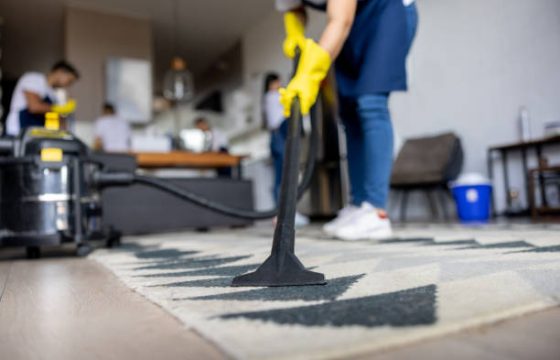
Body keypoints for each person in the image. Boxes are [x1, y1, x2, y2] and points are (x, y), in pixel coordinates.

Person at [275, 0, 418, 240]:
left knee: (371, 103)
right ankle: (358, 205)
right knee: (349, 115)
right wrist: (295, 33)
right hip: (350, 23)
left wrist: (311, 73)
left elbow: (341, 19)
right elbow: (293, 8)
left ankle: (375, 211)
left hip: (386, 12)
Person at [263, 72, 310, 227]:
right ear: (272, 83)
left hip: (275, 139)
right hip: (280, 138)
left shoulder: (267, 98)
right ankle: (287, 214)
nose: (280, 84)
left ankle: (281, 214)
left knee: (279, 177)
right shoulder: (274, 96)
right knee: (287, 175)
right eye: (278, 82)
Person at [5, 60, 80, 136]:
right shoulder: (34, 79)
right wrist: (59, 109)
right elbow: (34, 107)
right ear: (60, 72)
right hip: (16, 132)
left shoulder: (52, 94)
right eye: (69, 81)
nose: (68, 85)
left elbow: (57, 118)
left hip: (34, 133)